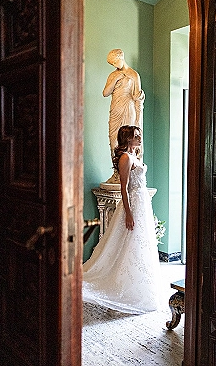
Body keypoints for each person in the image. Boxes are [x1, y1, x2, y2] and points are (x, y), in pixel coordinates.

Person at [82, 125, 161, 314]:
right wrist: (128, 213)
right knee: (129, 241)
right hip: (133, 203)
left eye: (139, 135)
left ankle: (142, 281)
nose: (140, 139)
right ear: (127, 139)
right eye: (136, 136)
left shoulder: (134, 156)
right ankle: (123, 283)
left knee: (141, 242)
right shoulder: (125, 158)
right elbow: (124, 188)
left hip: (142, 202)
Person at [103, 49, 145, 162]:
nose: (114, 65)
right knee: (114, 140)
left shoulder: (134, 75)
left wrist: (138, 117)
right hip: (116, 109)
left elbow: (137, 97)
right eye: (112, 64)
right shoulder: (113, 75)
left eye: (115, 62)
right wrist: (116, 78)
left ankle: (130, 169)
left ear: (121, 58)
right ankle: (117, 172)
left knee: (128, 139)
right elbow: (105, 93)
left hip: (128, 109)